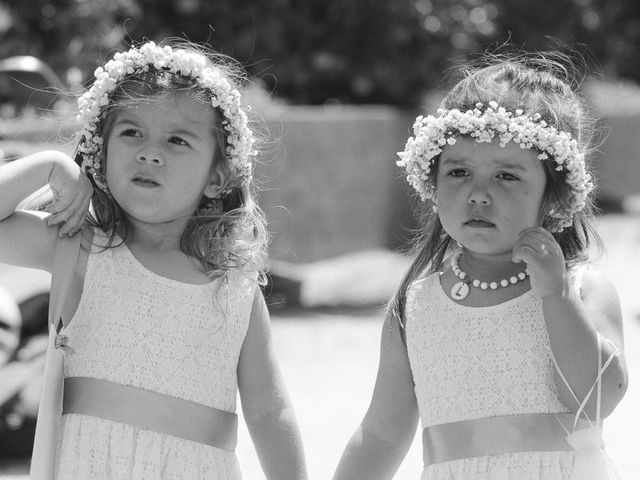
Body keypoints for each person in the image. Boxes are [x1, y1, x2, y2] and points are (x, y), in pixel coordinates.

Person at [0, 40, 307, 480]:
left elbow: (269, 410)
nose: (149, 152)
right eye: (131, 132)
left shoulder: (234, 287)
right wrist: (45, 166)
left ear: (218, 177)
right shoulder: (80, 247)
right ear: (100, 153)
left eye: (177, 139)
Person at [333, 53, 629, 480]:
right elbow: (380, 434)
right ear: (430, 183)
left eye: (507, 177)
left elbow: (599, 397)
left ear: (557, 197)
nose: (478, 194)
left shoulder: (581, 288)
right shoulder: (416, 306)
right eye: (458, 172)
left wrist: (557, 297)